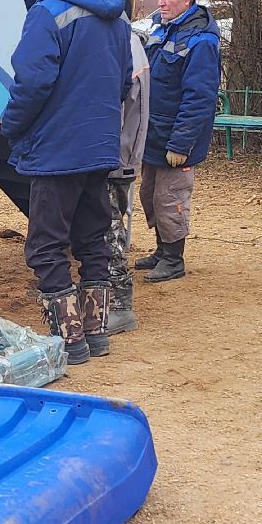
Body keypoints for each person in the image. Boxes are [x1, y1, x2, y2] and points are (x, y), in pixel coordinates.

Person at [1, 0, 132, 366]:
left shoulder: (48, 11)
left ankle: (70, 339)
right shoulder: (116, 16)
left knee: (46, 244)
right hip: (98, 146)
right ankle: (96, 333)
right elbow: (120, 82)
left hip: (56, 148)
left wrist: (12, 126)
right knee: (92, 238)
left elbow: (32, 81)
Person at [135, 0, 221, 283]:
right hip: (154, 134)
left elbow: (199, 98)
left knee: (170, 200)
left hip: (176, 140)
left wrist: (181, 144)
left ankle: (174, 259)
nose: (161, 2)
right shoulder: (161, 27)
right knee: (150, 196)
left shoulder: (201, 41)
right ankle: (162, 249)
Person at [107, 29, 150, 334]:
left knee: (109, 230)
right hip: (115, 154)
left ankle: (120, 306)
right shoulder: (123, 39)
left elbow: (124, 108)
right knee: (105, 226)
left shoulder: (126, 44)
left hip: (116, 156)